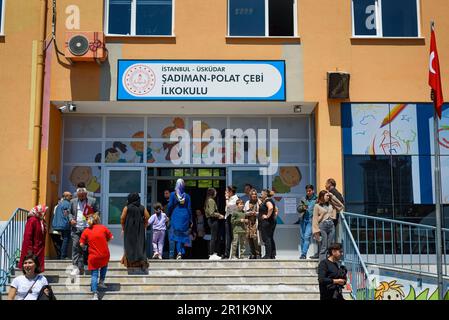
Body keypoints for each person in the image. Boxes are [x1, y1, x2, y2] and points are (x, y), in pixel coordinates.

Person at [80, 213, 114, 300]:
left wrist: (86, 247)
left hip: (93, 256)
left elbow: (81, 244)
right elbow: (111, 237)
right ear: (97, 220)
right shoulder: (103, 228)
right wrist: (104, 241)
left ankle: (95, 294)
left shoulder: (86, 231)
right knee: (104, 265)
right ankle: (102, 281)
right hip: (105, 254)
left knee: (94, 274)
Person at [69, 186, 99, 276]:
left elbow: (97, 212)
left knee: (88, 248)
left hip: (88, 228)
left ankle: (87, 266)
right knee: (75, 247)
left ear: (86, 194)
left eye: (82, 195)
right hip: (76, 228)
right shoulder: (72, 201)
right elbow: (70, 212)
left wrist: (92, 219)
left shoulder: (92, 201)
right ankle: (75, 267)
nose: (81, 197)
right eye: (79, 196)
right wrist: (71, 220)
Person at [121, 193, 150, 270]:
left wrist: (123, 228)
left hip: (129, 230)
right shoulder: (142, 208)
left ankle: (130, 264)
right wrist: (145, 225)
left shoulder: (126, 208)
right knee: (140, 245)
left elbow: (122, 218)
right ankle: (142, 262)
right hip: (140, 230)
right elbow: (147, 216)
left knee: (129, 245)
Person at [312, 190, 344, 261]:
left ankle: (328, 264)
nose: (328, 197)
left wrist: (333, 196)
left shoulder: (331, 204)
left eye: (328, 196)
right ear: (322, 196)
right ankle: (322, 265)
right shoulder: (317, 206)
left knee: (329, 246)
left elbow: (341, 206)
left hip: (331, 225)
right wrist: (316, 232)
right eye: (326, 195)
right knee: (324, 246)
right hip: (322, 226)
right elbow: (315, 219)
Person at [167, 179, 192, 260]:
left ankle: (178, 253)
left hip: (176, 215)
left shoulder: (173, 194)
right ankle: (180, 252)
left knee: (176, 235)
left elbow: (170, 206)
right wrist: (190, 219)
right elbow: (189, 208)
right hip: (185, 216)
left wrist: (168, 215)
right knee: (182, 235)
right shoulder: (187, 196)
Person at [19, 205, 48, 273]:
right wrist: (29, 249)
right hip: (33, 248)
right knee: (31, 264)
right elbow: (27, 236)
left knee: (36, 266)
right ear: (39, 212)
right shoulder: (32, 220)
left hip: (39, 248)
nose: (45, 214)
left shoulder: (40, 221)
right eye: (44, 212)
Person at [297, 185, 317, 259]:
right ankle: (303, 253)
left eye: (309, 191)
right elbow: (298, 209)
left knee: (306, 237)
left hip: (311, 221)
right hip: (303, 220)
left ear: (313, 191)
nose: (308, 192)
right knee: (302, 237)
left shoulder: (316, 199)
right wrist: (302, 207)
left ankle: (304, 254)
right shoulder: (303, 199)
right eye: (307, 191)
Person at [204, 188, 225, 260]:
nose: (216, 193)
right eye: (215, 192)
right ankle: (212, 253)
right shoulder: (211, 200)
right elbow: (211, 213)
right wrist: (219, 215)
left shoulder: (208, 200)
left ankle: (213, 253)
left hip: (211, 220)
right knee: (214, 237)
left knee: (214, 237)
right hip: (213, 220)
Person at [51, 192, 72, 260]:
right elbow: (67, 214)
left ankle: (61, 255)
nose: (71, 197)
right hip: (64, 224)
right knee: (66, 239)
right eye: (70, 196)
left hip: (57, 224)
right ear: (66, 196)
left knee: (63, 240)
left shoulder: (59, 204)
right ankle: (63, 256)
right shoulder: (67, 204)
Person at [243, 189, 261, 259]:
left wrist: (255, 213)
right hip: (249, 223)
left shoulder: (258, 202)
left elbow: (262, 212)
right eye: (252, 194)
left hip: (255, 222)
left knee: (256, 238)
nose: (254, 195)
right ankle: (252, 253)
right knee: (249, 237)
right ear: (250, 195)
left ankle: (258, 253)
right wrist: (249, 213)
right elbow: (244, 212)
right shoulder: (247, 202)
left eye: (255, 194)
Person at [259, 190, 276, 259]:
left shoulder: (268, 201)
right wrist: (273, 216)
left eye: (261, 194)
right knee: (270, 238)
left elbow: (271, 208)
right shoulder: (269, 200)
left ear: (265, 195)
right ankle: (272, 254)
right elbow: (276, 209)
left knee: (266, 238)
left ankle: (268, 255)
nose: (260, 195)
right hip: (270, 222)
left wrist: (267, 216)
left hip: (267, 222)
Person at [224, 185, 238, 259]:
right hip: (228, 217)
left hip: (232, 218)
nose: (225, 192)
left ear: (231, 192)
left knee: (233, 237)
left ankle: (234, 254)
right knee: (228, 237)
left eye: (227, 191)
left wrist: (226, 198)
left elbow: (229, 206)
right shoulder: (230, 198)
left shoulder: (235, 199)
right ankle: (227, 254)